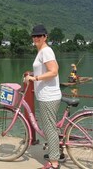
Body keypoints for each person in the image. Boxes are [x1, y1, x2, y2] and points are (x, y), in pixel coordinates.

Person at [25, 24, 63, 169]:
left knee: (49, 128)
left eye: (39, 36)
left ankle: (54, 163)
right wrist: (32, 75)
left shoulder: (46, 51)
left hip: (49, 96)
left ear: (45, 36)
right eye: (34, 36)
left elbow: (54, 71)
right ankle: (58, 152)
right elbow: (43, 70)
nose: (36, 38)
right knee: (51, 126)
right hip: (45, 95)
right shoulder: (41, 51)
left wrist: (35, 79)